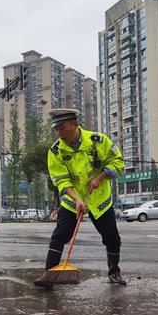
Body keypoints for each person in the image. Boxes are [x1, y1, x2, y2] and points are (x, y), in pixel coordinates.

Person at [34, 108, 126, 289]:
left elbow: (118, 162)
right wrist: (76, 199)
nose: (59, 133)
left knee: (112, 238)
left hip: (99, 199)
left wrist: (99, 178)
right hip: (72, 200)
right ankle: (49, 276)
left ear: (75, 124)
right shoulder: (56, 151)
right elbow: (61, 181)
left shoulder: (98, 141)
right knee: (59, 236)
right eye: (56, 129)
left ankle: (114, 273)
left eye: (62, 128)